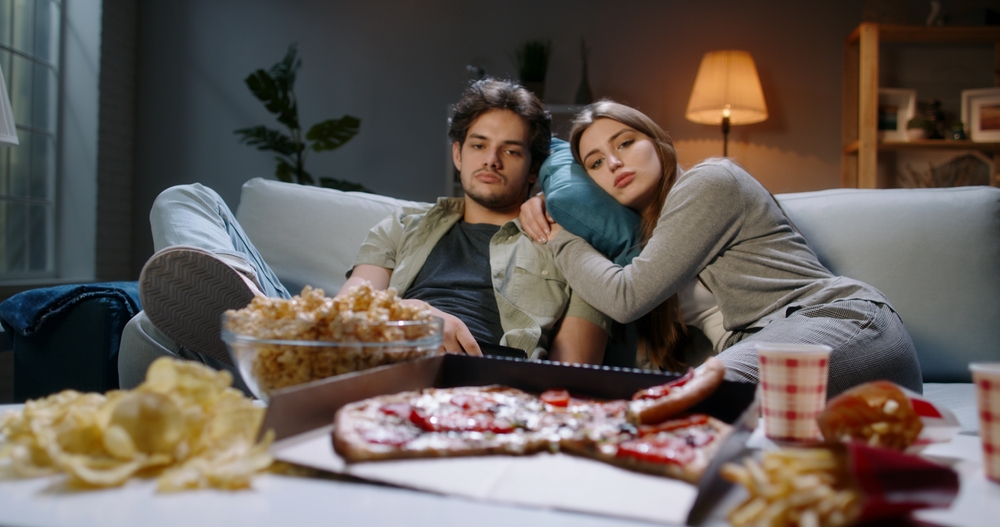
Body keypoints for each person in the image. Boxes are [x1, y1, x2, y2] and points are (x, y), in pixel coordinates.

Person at [118, 78, 610, 391]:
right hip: (353, 352)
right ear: (457, 154)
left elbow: (573, 372)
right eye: (479, 145)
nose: (492, 160)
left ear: (533, 169)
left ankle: (260, 331)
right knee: (185, 198)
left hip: (449, 378)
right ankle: (253, 303)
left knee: (146, 329)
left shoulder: (568, 241)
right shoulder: (404, 225)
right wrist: (410, 316)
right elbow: (351, 307)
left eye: (512, 151)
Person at [520, 100, 922, 397]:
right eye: (594, 163)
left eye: (625, 143)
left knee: (695, 399)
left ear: (658, 142)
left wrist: (558, 235)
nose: (613, 163)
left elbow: (626, 298)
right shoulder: (638, 240)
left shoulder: (709, 182)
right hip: (777, 359)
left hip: (844, 325)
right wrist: (550, 201)